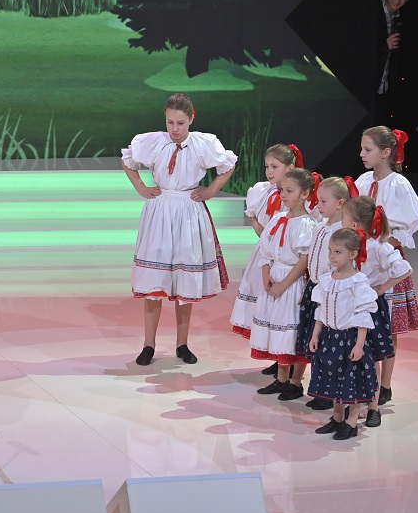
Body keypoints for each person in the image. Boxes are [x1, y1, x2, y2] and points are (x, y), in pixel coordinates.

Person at [121, 93, 237, 367]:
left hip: (188, 210)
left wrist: (211, 190)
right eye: (170, 122)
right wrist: (141, 188)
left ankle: (182, 344)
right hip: (160, 210)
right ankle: (148, 344)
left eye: (180, 123)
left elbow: (227, 165)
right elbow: (128, 161)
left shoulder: (203, 144)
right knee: (155, 281)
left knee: (184, 281)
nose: (174, 129)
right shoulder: (154, 142)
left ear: (191, 119)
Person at [356, 125, 418, 405]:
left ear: (385, 152)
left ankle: (385, 384)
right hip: (361, 260)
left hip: (384, 259)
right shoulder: (362, 181)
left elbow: (409, 223)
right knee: (362, 322)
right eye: (362, 149)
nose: (362, 154)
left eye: (367, 149)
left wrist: (381, 245)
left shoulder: (398, 185)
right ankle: (364, 378)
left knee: (386, 325)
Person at [229, 143, 303, 373]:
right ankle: (277, 357)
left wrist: (264, 232)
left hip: (284, 259)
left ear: (290, 167)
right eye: (267, 166)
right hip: (265, 255)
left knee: (285, 309)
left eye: (275, 166)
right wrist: (257, 224)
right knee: (269, 306)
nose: (269, 171)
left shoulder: (294, 198)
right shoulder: (263, 192)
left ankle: (287, 361)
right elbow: (262, 229)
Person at [342, 196, 412, 428]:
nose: (341, 221)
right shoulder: (351, 245)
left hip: (370, 307)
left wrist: (381, 288)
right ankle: (353, 401)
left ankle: (373, 407)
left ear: (354, 223)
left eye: (343, 217)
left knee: (370, 356)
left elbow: (403, 268)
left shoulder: (378, 246)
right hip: (349, 304)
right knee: (351, 353)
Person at [251, 168, 317, 400]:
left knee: (292, 332)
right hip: (274, 277)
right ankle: (281, 378)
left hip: (292, 282)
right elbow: (265, 248)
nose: (284, 195)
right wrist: (266, 273)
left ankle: (295, 382)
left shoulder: (307, 224)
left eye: (290, 191)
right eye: (282, 190)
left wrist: (283, 285)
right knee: (277, 329)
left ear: (305, 194)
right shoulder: (278, 218)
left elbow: (304, 259)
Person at [308, 228, 378, 441]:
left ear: (352, 255)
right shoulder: (327, 280)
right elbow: (321, 311)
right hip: (330, 337)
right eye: (330, 250)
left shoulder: (358, 282)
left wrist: (359, 345)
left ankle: (351, 423)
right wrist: (315, 334)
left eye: (338, 252)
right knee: (333, 380)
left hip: (349, 339)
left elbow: (362, 316)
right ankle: (337, 418)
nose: (332, 256)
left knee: (351, 381)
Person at [294, 176, 357, 412]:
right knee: (313, 341)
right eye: (317, 200)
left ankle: (331, 393)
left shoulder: (342, 231)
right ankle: (319, 389)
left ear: (340, 203)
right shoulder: (319, 226)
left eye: (323, 201)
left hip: (331, 292)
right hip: (315, 288)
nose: (318, 205)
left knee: (328, 344)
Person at [375, 0, 411, 123]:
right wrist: (384, 45)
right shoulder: (373, 10)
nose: (397, 0)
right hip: (365, 85)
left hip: (385, 88)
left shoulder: (402, 18)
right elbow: (357, 46)